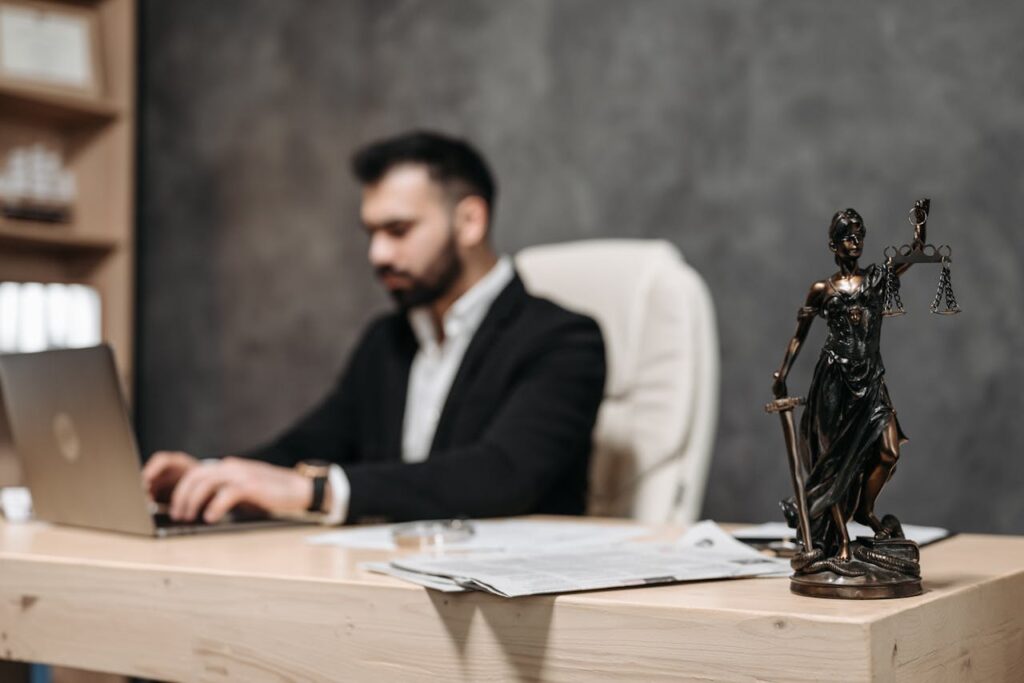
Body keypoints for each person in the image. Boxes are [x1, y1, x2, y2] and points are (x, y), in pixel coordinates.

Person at [143, 131, 606, 526]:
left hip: (521, 608)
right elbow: (310, 443)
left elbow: (503, 476)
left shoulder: (564, 340)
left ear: (470, 221)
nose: (378, 255)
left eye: (398, 230)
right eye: (372, 233)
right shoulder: (388, 341)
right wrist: (212, 476)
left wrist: (318, 491)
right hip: (395, 585)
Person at [772, 207, 922, 565]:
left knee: (888, 452)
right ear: (833, 244)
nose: (855, 242)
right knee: (835, 464)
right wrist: (782, 374)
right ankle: (840, 540)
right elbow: (800, 335)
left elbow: (914, 253)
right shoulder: (822, 289)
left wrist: (920, 229)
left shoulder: (875, 279)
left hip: (870, 380)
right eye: (847, 236)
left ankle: (866, 512)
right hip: (834, 383)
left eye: (859, 235)